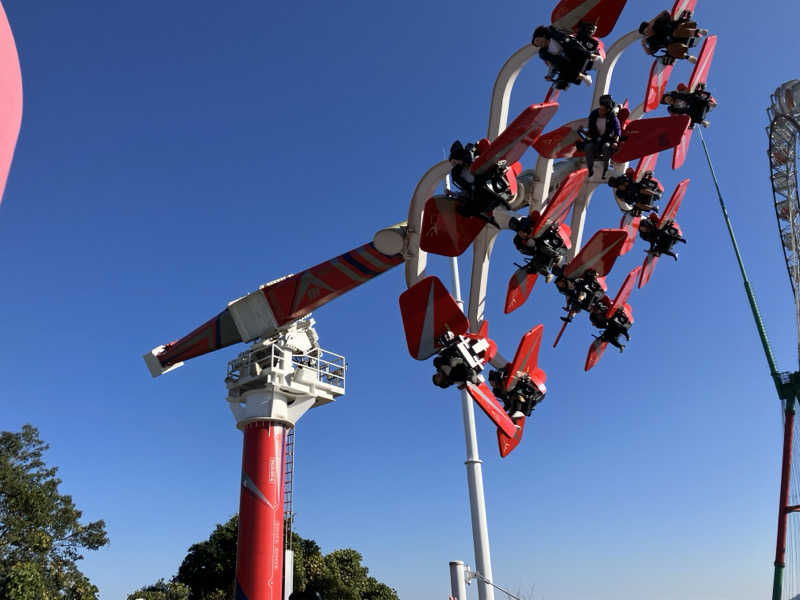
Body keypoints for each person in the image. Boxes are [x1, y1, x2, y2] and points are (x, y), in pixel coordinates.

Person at [448, 140, 513, 223]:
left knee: (475, 201)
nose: (455, 165)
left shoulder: (472, 157)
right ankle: (487, 217)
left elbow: (484, 165)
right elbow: (468, 190)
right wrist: (454, 194)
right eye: (453, 164)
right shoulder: (460, 174)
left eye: (454, 162)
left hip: (491, 183)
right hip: (482, 194)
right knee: (465, 210)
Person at [531, 24, 597, 89]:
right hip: (568, 61)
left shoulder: (553, 35)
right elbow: (553, 63)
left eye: (538, 40)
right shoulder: (546, 52)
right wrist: (550, 75)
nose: (540, 44)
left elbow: (566, 37)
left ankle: (592, 56)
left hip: (574, 48)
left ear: (543, 36)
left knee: (570, 46)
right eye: (538, 45)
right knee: (562, 67)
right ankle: (583, 77)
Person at [508, 215, 569, 281]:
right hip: (541, 250)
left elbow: (541, 226)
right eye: (519, 232)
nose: (523, 234)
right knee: (536, 262)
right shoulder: (518, 241)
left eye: (523, 231)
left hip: (550, 243)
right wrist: (533, 247)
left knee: (542, 245)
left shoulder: (527, 222)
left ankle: (556, 257)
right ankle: (547, 274)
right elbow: (525, 250)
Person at [639, 9, 707, 63]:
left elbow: (665, 12)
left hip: (684, 30)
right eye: (646, 33)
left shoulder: (657, 24)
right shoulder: (652, 41)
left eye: (648, 30)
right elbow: (649, 52)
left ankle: (699, 31)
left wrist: (652, 21)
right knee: (670, 48)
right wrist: (643, 45)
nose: (648, 32)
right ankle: (689, 58)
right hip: (679, 46)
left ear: (650, 26)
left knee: (675, 32)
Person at [578, 95, 620, 177]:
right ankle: (590, 169)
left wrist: (615, 142)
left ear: (608, 110)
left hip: (607, 140)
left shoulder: (612, 117)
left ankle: (605, 168)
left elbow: (617, 131)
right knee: (588, 147)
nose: (601, 111)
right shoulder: (594, 115)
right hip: (595, 140)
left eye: (603, 110)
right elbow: (590, 132)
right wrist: (583, 131)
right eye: (600, 108)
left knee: (606, 147)